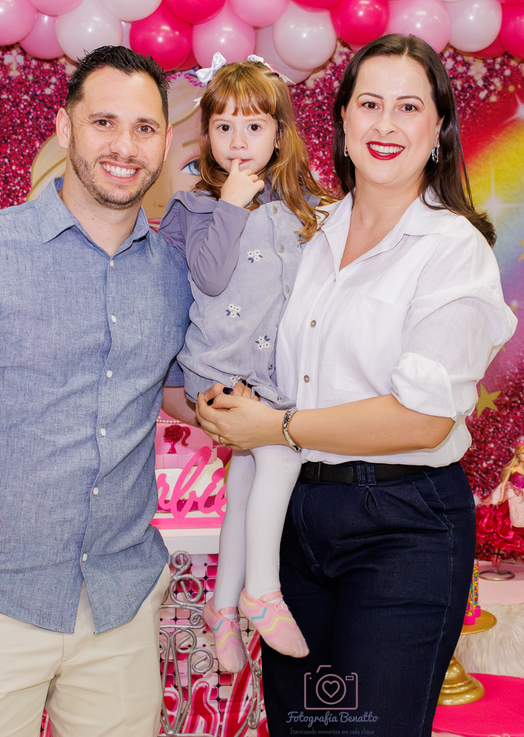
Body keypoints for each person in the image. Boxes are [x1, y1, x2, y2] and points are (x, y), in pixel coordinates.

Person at [196, 34, 518, 737]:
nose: (385, 124)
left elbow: (423, 420)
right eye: (369, 104)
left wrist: (275, 428)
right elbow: (245, 344)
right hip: (294, 518)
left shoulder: (452, 249)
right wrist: (214, 399)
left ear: (439, 128)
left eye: (409, 107)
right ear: (341, 119)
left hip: (401, 524)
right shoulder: (303, 231)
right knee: (303, 728)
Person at [0, 45, 194, 737]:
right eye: (104, 122)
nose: (124, 146)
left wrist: (282, 414)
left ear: (166, 142)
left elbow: (175, 395)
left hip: (120, 604)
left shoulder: (174, 274)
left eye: (144, 128)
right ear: (64, 127)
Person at [158, 55, 334, 672]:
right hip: (218, 369)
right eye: (225, 126)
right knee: (281, 454)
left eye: (254, 126)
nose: (239, 141)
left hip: (272, 374)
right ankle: (263, 590)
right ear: (206, 134)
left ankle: (223, 608)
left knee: (247, 478)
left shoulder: (302, 209)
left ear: (279, 135)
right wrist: (230, 204)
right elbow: (208, 278)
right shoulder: (194, 209)